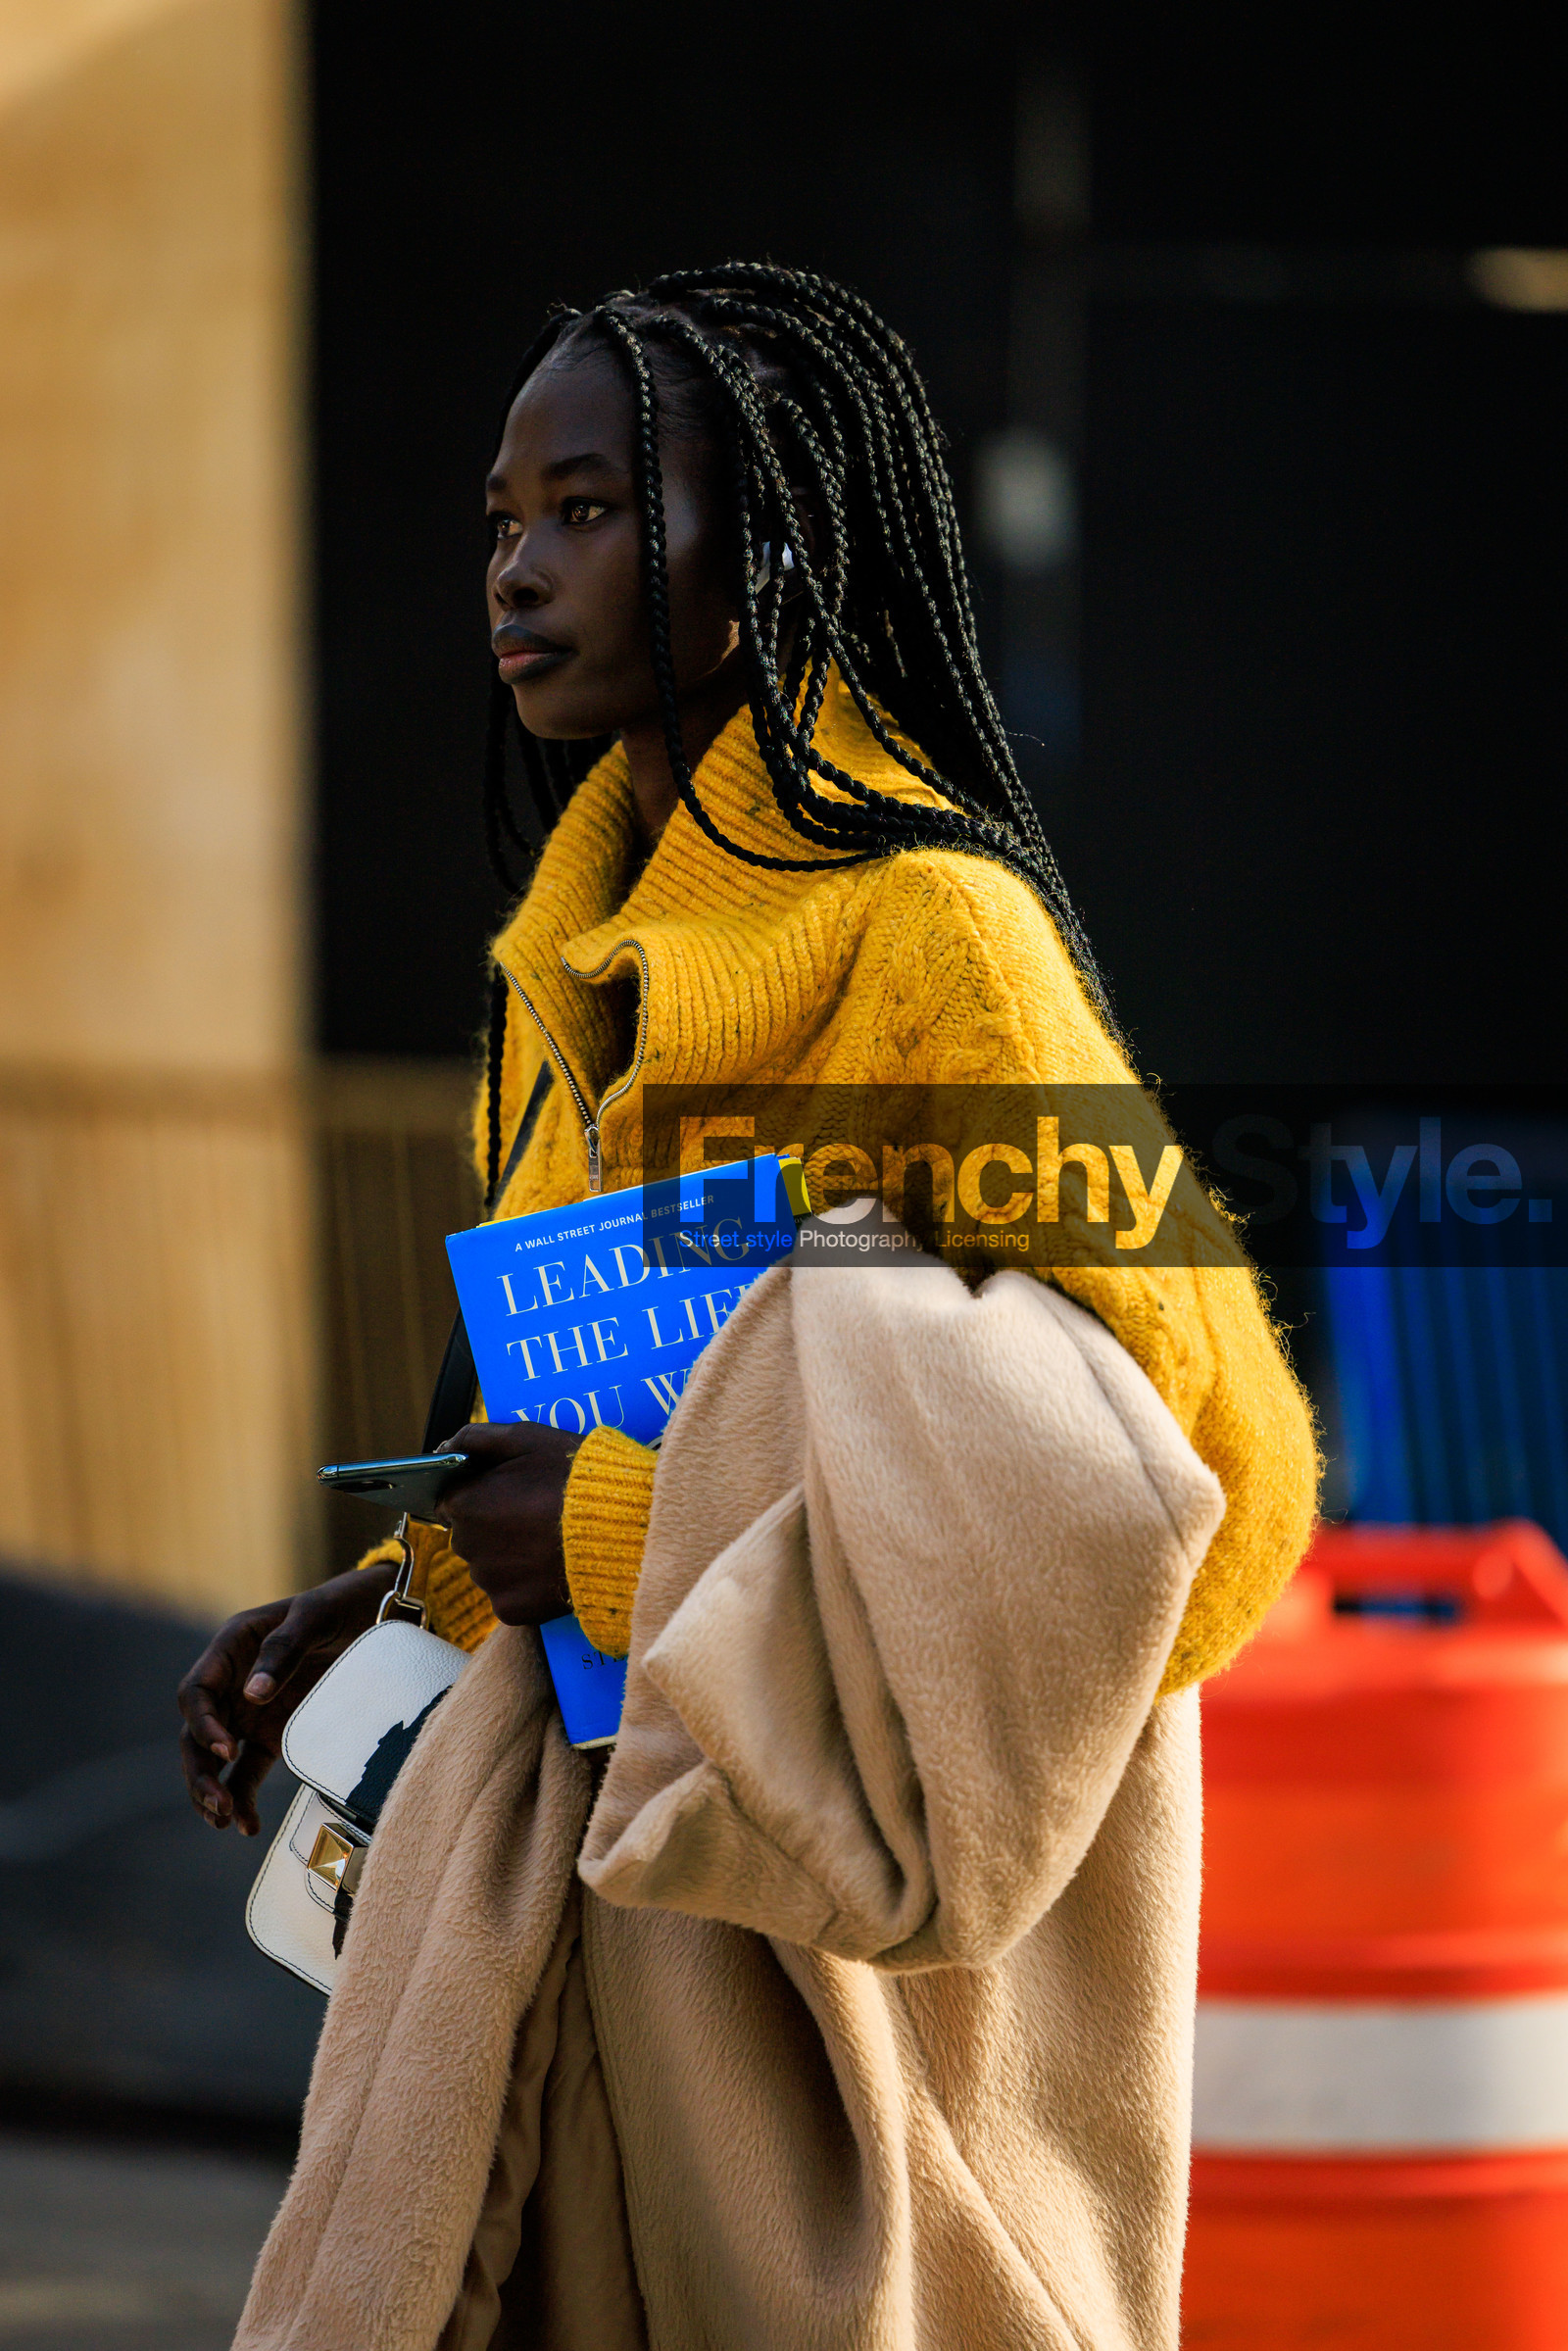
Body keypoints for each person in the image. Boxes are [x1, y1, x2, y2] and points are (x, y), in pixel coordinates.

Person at [179, 265, 1316, 2351]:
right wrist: (397, 1586)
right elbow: (591, 1407)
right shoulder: (564, 962)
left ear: (769, 537)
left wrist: (630, 1547)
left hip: (862, 2017)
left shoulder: (933, 941)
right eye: (501, 522)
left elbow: (1209, 1498)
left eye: (590, 509)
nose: (518, 571)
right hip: (594, 1938)